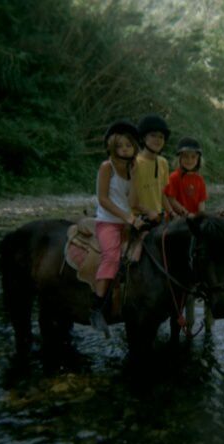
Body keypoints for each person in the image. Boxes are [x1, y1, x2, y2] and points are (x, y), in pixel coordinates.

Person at [90, 120, 146, 335]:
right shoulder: (107, 167)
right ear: (112, 146)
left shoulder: (132, 168)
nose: (125, 149)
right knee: (111, 257)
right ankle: (96, 307)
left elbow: (132, 201)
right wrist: (128, 217)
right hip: (108, 222)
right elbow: (103, 199)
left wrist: (148, 211)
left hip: (127, 221)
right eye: (120, 145)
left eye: (128, 145)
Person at [164, 137, 210, 331]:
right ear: (179, 158)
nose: (190, 160)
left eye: (193, 157)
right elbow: (170, 198)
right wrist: (185, 213)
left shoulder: (199, 180)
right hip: (177, 220)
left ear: (198, 159)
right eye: (186, 157)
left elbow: (202, 204)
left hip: (192, 220)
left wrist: (201, 217)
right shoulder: (174, 177)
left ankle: (205, 282)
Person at [131, 114, 175, 222]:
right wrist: (148, 212)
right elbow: (130, 198)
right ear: (143, 137)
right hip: (138, 217)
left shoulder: (163, 162)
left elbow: (161, 193)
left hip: (158, 216)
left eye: (161, 137)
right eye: (153, 135)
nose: (158, 140)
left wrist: (171, 212)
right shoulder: (135, 163)